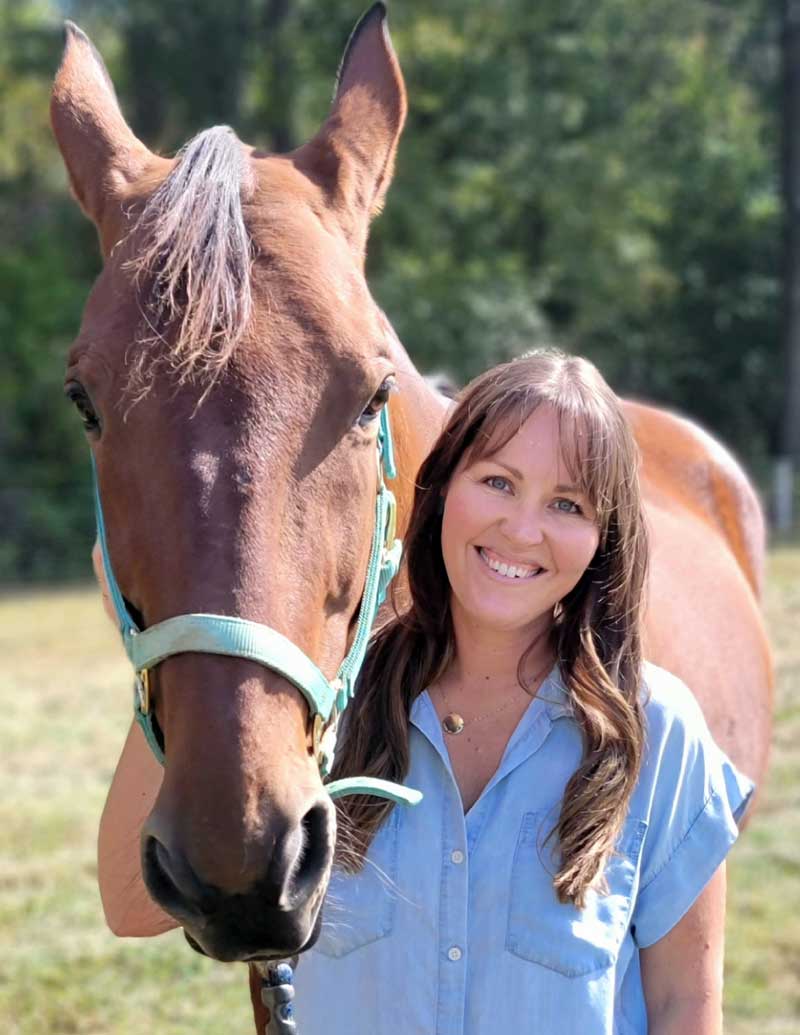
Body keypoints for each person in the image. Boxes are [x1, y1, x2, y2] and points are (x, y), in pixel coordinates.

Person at [95, 349, 752, 1034]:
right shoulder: (327, 704)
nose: (522, 530)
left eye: (567, 503)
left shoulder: (659, 732)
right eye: (498, 482)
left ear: (601, 539)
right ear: (440, 490)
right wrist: (164, 646)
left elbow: (686, 1004)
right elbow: (127, 903)